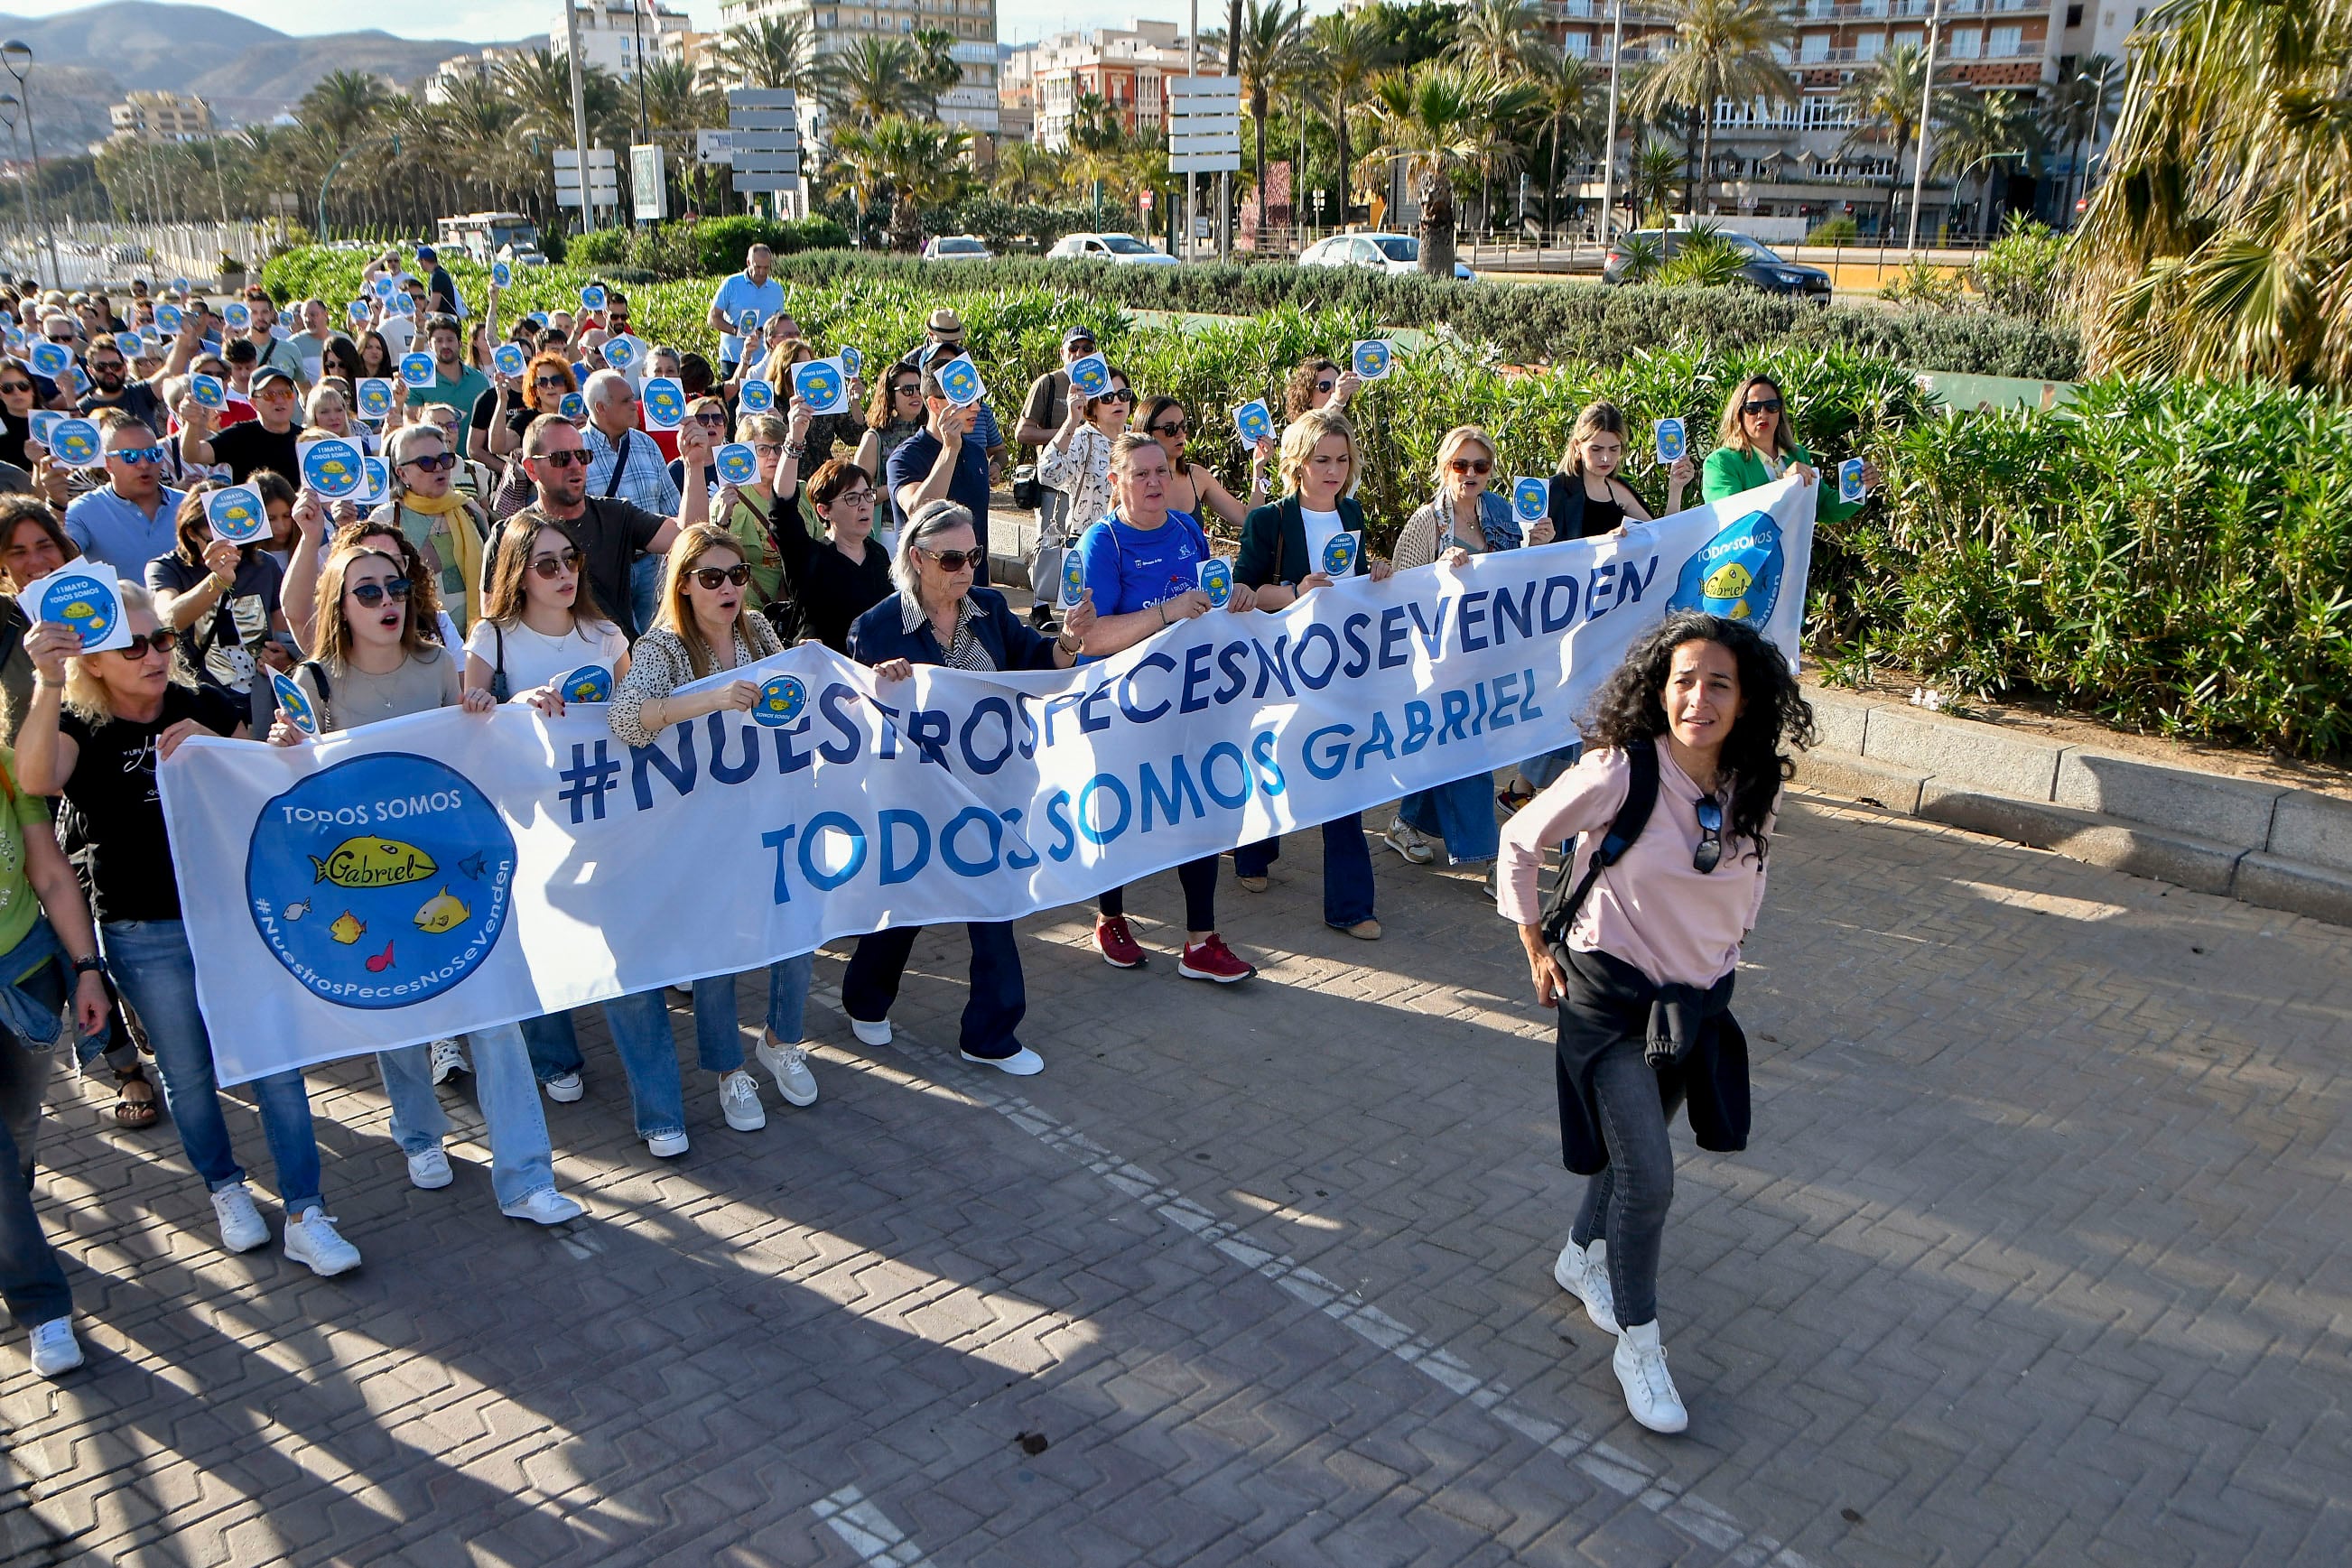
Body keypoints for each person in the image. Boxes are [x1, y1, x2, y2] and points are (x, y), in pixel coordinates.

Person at [1497, 611, 1815, 1434]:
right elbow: (1520, 839)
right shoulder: (1620, 771)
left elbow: (1749, 874)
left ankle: (1579, 1257)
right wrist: (1536, 946)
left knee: (1627, 1156)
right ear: (1658, 688)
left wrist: (1728, 952)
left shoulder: (1756, 783)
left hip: (1696, 1005)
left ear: (1745, 700)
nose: (1698, 698)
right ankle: (1640, 1344)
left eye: (1718, 683)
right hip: (1607, 998)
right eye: (1683, 681)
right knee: (1652, 1173)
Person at [13, 585, 362, 1273]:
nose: (153, 654)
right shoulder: (80, 723)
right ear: (94, 661)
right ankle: (225, 1187)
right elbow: (33, 774)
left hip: (233, 914)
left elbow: (270, 781)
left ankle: (306, 1211)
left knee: (276, 1065)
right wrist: (47, 679)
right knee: (189, 1074)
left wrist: (227, 747)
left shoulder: (197, 701)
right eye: (133, 645)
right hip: (142, 929)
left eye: (163, 639)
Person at [268, 546, 583, 1226]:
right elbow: (299, 789)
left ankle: (527, 1178)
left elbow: (482, 749)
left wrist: (483, 708)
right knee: (401, 1022)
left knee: (496, 1023)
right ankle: (418, 1131)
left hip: (456, 872)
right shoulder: (315, 681)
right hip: (368, 887)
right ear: (339, 605)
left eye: (396, 587)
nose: (387, 601)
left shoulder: (438, 665)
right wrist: (285, 746)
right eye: (368, 591)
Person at [843, 501, 1093, 1075]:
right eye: (952, 558)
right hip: (918, 795)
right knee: (906, 904)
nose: (966, 570)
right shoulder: (878, 627)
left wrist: (1071, 643)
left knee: (994, 905)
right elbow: (859, 716)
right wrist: (880, 685)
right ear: (918, 559)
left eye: (973, 556)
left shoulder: (988, 610)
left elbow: (1037, 665)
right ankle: (864, 998)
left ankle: (990, 1033)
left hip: (992, 794)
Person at [605, 524, 818, 1139]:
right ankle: (730, 1071)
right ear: (684, 584)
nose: (728, 588)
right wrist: (710, 698)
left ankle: (780, 1041)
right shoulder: (662, 649)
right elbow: (626, 718)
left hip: (765, 812)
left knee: (797, 932)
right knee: (716, 955)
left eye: (737, 575)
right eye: (712, 577)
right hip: (698, 828)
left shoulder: (758, 630)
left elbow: (789, 700)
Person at [1074, 434, 1260, 979]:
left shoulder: (1186, 530)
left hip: (1190, 699)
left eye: (1162, 471)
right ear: (1116, 483)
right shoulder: (1102, 543)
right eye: (1141, 474)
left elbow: (1206, 600)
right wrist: (1168, 613)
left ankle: (1201, 941)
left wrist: (1235, 600)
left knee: (1196, 806)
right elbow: (1090, 637)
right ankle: (1110, 917)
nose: (1156, 482)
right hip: (1124, 708)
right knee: (1121, 811)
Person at [1231, 407, 1389, 938]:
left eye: (1342, 459)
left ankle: (1352, 905)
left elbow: (1355, 582)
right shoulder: (1268, 521)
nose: (1333, 470)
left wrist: (1378, 575)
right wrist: (1296, 592)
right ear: (1298, 462)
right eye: (1322, 459)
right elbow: (1244, 592)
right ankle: (1253, 852)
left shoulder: (1354, 515)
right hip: (1282, 668)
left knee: (1343, 779)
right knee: (1271, 759)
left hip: (1341, 666)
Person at [1385, 426, 1559, 869]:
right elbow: (1402, 591)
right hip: (1441, 661)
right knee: (1470, 751)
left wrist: (1536, 547)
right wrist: (1437, 571)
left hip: (1489, 654)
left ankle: (1407, 822)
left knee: (1450, 746)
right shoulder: (1427, 521)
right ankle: (1487, 857)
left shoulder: (1502, 511)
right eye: (1460, 465)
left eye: (1480, 466)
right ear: (1445, 468)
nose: (1470, 474)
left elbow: (1519, 576)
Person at [0, 743, 112, 1377]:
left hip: (25, 977)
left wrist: (88, 970)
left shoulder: (7, 764)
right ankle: (42, 1305)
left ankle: (12, 1227)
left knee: (17, 1135)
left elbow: (48, 872)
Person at [487, 414, 707, 640]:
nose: (575, 466)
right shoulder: (508, 536)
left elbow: (691, 539)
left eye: (582, 456)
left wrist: (694, 464)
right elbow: (495, 623)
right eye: (561, 458)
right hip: (549, 668)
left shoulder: (616, 515)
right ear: (531, 469)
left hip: (618, 663)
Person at [145, 481, 288, 717]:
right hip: (203, 707)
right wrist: (217, 581)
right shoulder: (165, 568)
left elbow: (283, 630)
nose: (233, 549)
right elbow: (166, 620)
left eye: (239, 538)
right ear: (191, 533)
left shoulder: (263, 564)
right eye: (218, 539)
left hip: (261, 704)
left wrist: (285, 656)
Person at [580, 368, 681, 635]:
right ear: (601, 407)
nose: (635, 405)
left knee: (656, 639)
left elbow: (671, 506)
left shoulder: (647, 445)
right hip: (604, 572)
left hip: (653, 567)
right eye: (625, 400)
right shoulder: (575, 452)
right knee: (620, 645)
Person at [1699, 373, 1875, 520]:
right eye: (1753, 408)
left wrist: (1858, 488)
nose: (1763, 414)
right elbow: (1730, 518)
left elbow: (1823, 507)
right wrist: (1783, 484)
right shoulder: (1721, 462)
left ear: (1780, 412)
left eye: (1771, 406)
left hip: (1793, 560)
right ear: (1738, 414)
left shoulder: (1798, 455)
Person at [1032, 365, 1132, 623]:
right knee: (1085, 627)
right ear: (1093, 405)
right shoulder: (1082, 438)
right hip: (1088, 547)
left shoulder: (1135, 438)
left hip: (1130, 546)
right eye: (1108, 397)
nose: (1118, 402)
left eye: (1124, 394)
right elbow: (1048, 473)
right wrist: (1071, 419)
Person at [765, 451, 891, 653]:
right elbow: (782, 509)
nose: (864, 505)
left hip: (873, 673)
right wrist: (793, 443)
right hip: (824, 675)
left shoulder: (878, 554)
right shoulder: (808, 556)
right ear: (824, 510)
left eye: (868, 495)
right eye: (852, 498)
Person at [371, 422, 489, 636]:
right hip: (416, 638)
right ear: (402, 473)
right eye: (426, 462)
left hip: (477, 637)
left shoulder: (469, 509)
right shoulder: (385, 519)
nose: (439, 468)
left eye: (445, 460)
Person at [886, 365, 994, 583]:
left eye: (978, 400)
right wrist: (949, 450)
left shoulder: (975, 453)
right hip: (926, 590)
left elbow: (980, 529)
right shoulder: (905, 457)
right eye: (964, 400)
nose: (976, 409)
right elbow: (918, 511)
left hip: (973, 588)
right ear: (934, 404)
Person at [63, 412, 187, 580]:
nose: (144, 464)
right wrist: (56, 504)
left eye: (153, 454)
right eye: (130, 456)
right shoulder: (83, 511)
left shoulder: (186, 505)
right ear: (108, 464)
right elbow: (60, 561)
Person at [1547, 401, 1694, 541]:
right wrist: (1604, 544)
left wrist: (1676, 489)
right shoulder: (1555, 491)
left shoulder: (1620, 489)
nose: (1605, 458)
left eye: (1614, 449)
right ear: (1578, 445)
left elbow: (1662, 538)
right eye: (1596, 449)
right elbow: (1539, 554)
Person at [1138, 394, 1272, 528]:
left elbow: (1249, 519)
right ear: (1147, 433)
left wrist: (1258, 469)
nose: (1180, 434)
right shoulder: (1135, 483)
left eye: (1183, 426)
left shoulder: (1196, 476)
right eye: (1170, 429)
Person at [178, 364, 300, 484]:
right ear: (254, 403)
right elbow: (193, 454)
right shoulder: (239, 436)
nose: (279, 400)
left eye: (286, 393)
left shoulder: (306, 437)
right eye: (269, 395)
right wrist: (191, 423)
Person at [404, 315, 492, 453]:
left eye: (450, 340)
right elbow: (410, 421)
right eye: (438, 341)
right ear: (430, 346)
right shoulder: (419, 383)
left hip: (475, 466)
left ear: (460, 343)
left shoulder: (480, 381)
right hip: (433, 464)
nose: (445, 345)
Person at [479, 350, 572, 467]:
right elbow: (497, 447)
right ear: (534, 390)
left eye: (556, 380)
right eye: (542, 382)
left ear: (567, 384)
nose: (550, 386)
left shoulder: (579, 414)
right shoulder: (525, 419)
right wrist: (502, 400)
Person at [705, 245, 785, 379]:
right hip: (733, 358)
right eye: (758, 267)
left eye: (766, 268)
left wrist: (765, 331)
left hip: (763, 361)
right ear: (748, 263)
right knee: (733, 399)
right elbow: (713, 318)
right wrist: (737, 331)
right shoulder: (731, 284)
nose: (761, 272)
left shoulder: (776, 290)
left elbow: (779, 322)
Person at [854, 363, 925, 487]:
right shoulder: (874, 439)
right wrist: (899, 486)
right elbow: (857, 493)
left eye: (920, 388)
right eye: (907, 390)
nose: (916, 394)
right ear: (890, 395)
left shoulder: (931, 430)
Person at [1283, 357, 1359, 423]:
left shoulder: (1345, 429)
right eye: (1324, 386)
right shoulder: (1295, 432)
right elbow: (1315, 431)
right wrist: (1337, 401)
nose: (1335, 390)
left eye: (1336, 384)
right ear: (1307, 396)